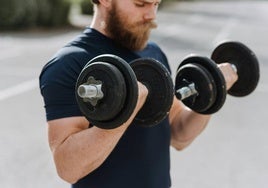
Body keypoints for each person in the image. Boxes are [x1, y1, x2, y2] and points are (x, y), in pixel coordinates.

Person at [39, 0, 238, 187]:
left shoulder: (154, 54)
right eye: (140, 4)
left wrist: (212, 94)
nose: (151, 16)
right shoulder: (69, 63)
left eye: (155, 4)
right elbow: (68, 168)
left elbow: (178, 134)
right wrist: (126, 110)